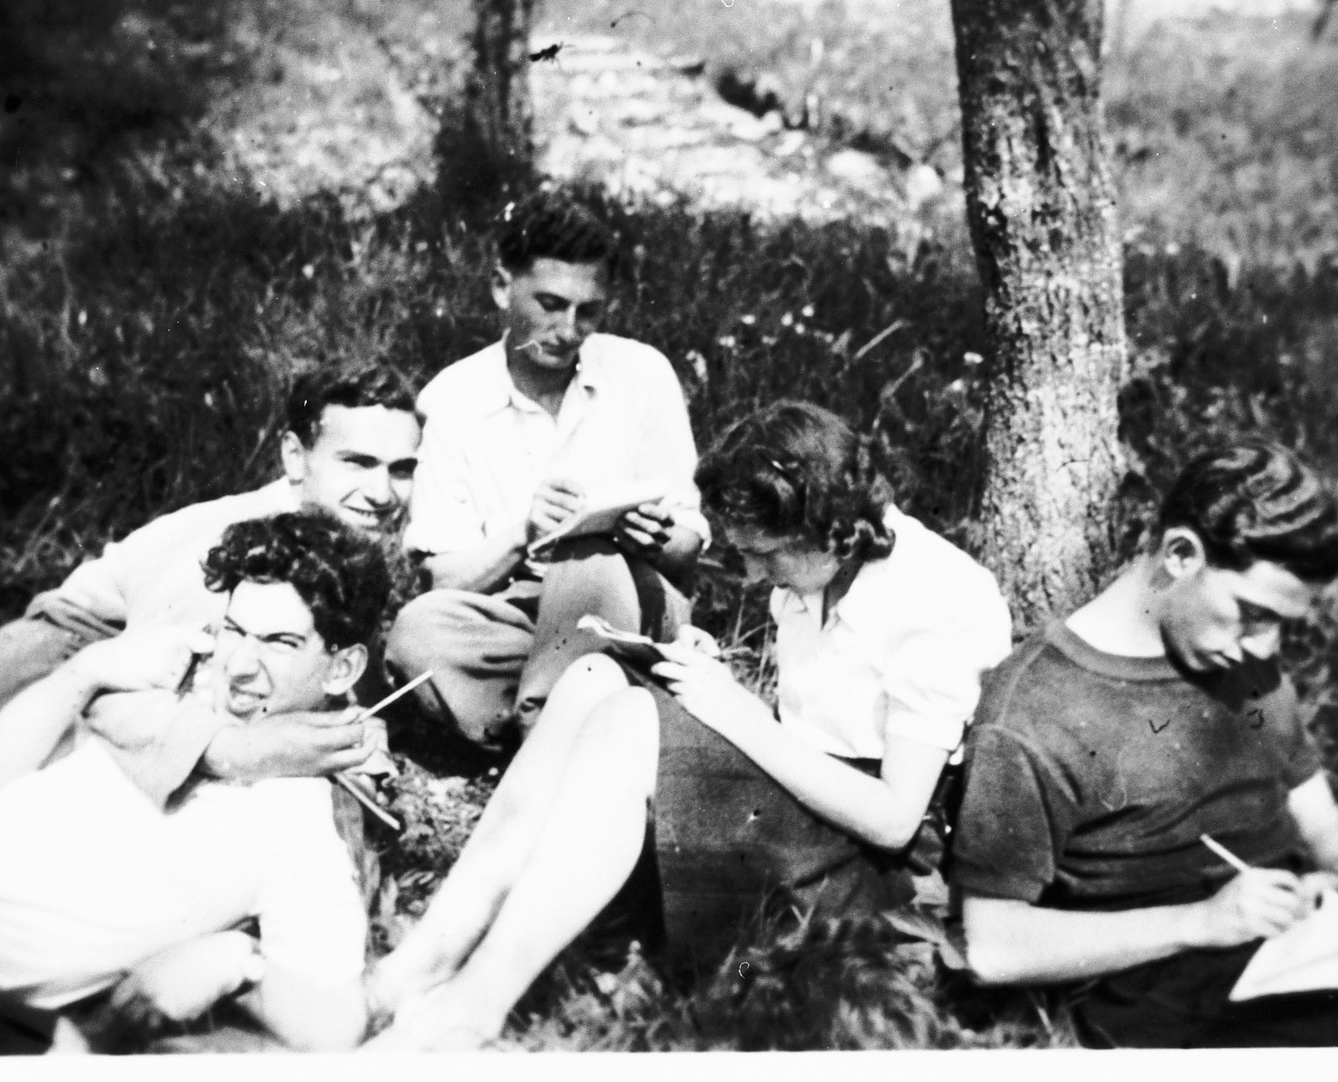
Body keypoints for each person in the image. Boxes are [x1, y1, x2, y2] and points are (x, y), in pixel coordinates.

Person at [364, 401, 1013, 1048]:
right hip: (804, 815)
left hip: (878, 871)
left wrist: (733, 712)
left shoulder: (940, 593)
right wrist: (709, 676)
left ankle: (477, 1002)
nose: (757, 576)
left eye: (766, 555)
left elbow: (896, 818)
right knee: (591, 680)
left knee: (630, 724)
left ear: (834, 529)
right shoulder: (818, 565)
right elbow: (808, 729)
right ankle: (426, 960)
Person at [949, 440, 1338, 1048]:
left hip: (1302, 940)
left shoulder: (1238, 652)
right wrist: (1204, 922)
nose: (1264, 650)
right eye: (1252, 612)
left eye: (1281, 624)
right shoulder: (1035, 712)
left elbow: (1323, 816)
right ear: (1181, 554)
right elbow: (994, 947)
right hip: (1170, 983)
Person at [0, 511, 389, 1054]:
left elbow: (338, 1024)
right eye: (233, 630)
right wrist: (85, 671)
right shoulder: (169, 686)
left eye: (279, 642)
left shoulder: (300, 815)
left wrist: (237, 966)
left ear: (342, 668)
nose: (240, 666)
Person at [0, 360, 422, 804]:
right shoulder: (243, 554)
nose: (382, 494)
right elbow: (131, 686)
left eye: (401, 469)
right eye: (357, 463)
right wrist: (232, 750)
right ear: (296, 458)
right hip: (43, 668)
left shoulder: (334, 541)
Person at [393, 191, 710, 748]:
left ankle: (541, 735)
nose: (568, 330)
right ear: (500, 286)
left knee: (585, 559)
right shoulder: (452, 399)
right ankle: (598, 722)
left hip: (625, 606)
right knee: (417, 633)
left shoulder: (642, 374)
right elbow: (442, 581)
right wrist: (527, 534)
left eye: (588, 311)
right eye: (550, 303)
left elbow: (688, 553)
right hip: (515, 619)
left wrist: (655, 539)